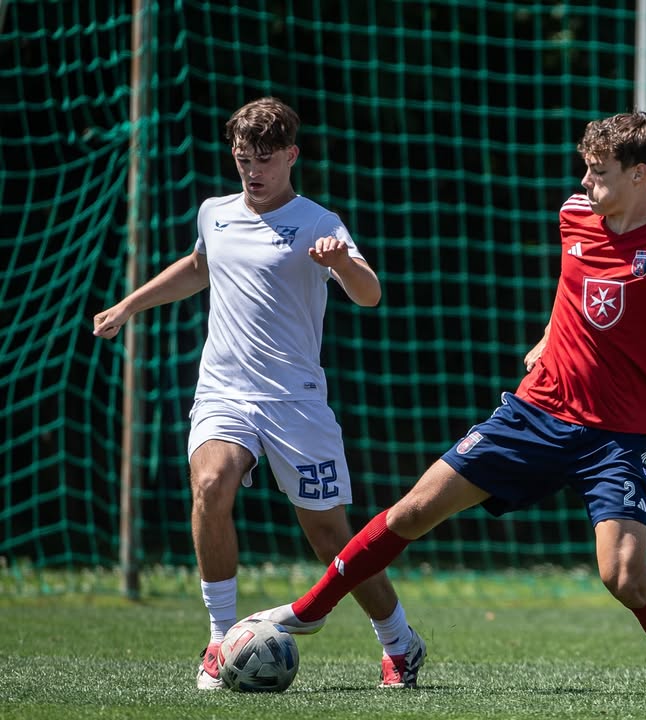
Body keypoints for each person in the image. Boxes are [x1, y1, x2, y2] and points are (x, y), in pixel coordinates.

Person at [247, 111, 646, 695]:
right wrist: (552, 334)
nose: (585, 182)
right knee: (412, 511)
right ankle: (311, 610)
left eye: (599, 172)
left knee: (626, 576)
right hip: (535, 413)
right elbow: (573, 287)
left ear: (640, 175)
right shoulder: (575, 214)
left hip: (614, 438)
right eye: (585, 169)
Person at [93, 97, 426, 690]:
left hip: (296, 402)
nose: (253, 171)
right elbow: (200, 266)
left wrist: (343, 264)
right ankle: (220, 639)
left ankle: (399, 641)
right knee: (210, 484)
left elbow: (370, 293)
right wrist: (128, 305)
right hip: (224, 391)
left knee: (330, 537)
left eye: (265, 160)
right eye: (243, 159)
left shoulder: (320, 223)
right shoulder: (214, 213)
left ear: (292, 156)